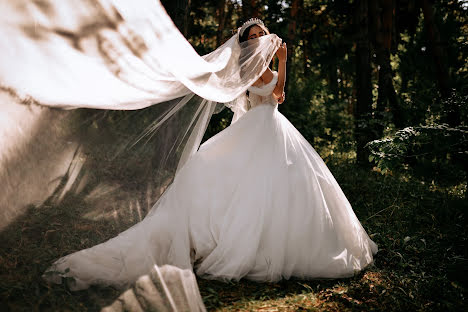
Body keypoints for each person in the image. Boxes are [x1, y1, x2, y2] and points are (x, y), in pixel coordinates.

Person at [43, 18, 377, 291]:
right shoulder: (245, 68)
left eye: (262, 33)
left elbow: (279, 95)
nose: (260, 38)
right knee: (235, 182)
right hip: (252, 131)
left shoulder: (269, 64)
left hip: (275, 129)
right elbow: (250, 90)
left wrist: (283, 63)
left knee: (285, 187)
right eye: (253, 35)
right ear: (245, 41)